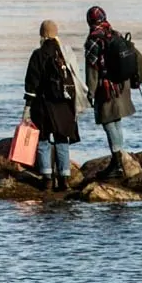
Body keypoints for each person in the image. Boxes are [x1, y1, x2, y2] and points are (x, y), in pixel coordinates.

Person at [24, 19, 86, 191]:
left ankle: (47, 179)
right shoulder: (65, 53)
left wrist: (27, 108)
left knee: (43, 141)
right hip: (64, 106)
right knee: (61, 140)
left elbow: (31, 83)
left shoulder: (38, 54)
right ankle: (64, 179)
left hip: (43, 106)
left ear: (42, 35)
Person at [84, 4, 137, 176]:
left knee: (108, 123)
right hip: (122, 86)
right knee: (117, 122)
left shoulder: (93, 40)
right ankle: (119, 158)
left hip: (106, 89)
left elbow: (92, 70)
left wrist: (90, 93)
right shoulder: (115, 34)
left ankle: (117, 164)